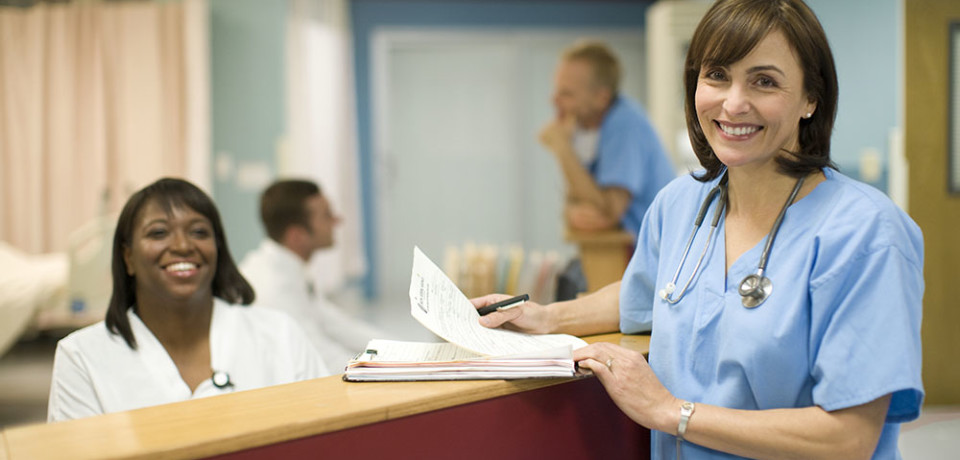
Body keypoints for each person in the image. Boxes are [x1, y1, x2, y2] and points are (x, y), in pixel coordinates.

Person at [473, 1, 924, 458]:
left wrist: (670, 411)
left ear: (812, 98)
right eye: (717, 75)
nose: (734, 103)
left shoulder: (866, 234)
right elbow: (649, 294)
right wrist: (546, 317)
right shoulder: (681, 203)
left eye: (764, 81)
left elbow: (848, 439)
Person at [48, 178, 327, 422]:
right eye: (159, 233)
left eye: (199, 232)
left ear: (217, 249)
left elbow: (325, 436)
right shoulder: (82, 358)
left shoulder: (279, 335)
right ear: (128, 257)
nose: (183, 246)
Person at [240, 179, 382, 374]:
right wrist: (388, 370)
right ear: (297, 236)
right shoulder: (275, 287)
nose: (337, 220)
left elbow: (336, 324)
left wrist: (403, 351)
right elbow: (321, 358)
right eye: (327, 215)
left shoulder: (288, 269)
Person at [541, 40, 675, 236]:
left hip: (653, 249)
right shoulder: (590, 130)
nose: (554, 101)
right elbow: (578, 201)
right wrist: (572, 211)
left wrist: (562, 148)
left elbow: (609, 211)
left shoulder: (624, 124)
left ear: (601, 98)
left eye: (567, 94)